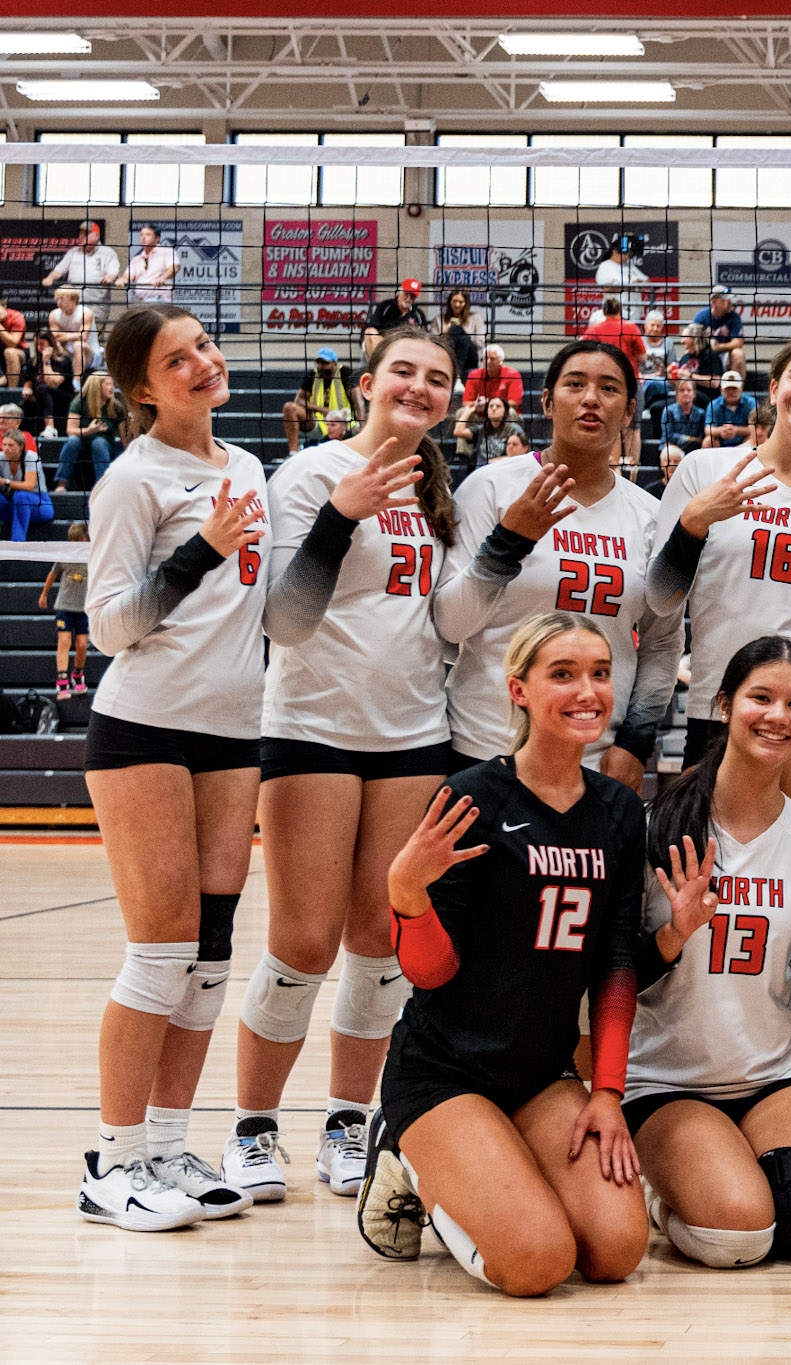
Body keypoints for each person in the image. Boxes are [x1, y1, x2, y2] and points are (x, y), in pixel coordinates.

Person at [220, 327, 458, 1203]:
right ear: (366, 383)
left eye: (438, 379)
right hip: (312, 729)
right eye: (404, 371)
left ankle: (348, 1120)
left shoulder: (440, 491)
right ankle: (252, 1129)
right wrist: (341, 513)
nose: (420, 387)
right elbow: (283, 617)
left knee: (377, 944)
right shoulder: (310, 473)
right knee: (302, 941)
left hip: (411, 737)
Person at [353, 613, 647, 1295]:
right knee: (537, 1262)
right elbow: (432, 972)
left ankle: (497, 1155)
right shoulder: (473, 798)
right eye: (563, 674)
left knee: (616, 1249)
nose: (588, 691)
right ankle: (405, 1150)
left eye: (600, 673)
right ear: (518, 690)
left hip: (541, 1073)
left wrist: (606, 1091)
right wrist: (406, 893)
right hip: (444, 1069)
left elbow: (615, 963)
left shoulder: (620, 812)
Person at [78, 303, 268, 1230]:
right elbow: (110, 625)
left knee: (208, 955)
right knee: (158, 951)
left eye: (202, 345)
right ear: (143, 388)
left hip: (233, 734)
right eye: (175, 358)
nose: (201, 362)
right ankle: (110, 1165)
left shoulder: (250, 468)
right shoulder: (132, 479)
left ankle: (165, 1147)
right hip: (145, 730)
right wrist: (202, 550)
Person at [627, 636, 791, 1266]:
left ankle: (728, 1167)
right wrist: (672, 935)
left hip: (773, 1074)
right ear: (722, 705)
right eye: (760, 698)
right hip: (667, 1080)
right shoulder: (655, 825)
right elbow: (610, 979)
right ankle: (664, 1193)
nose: (778, 717)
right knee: (737, 1235)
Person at [435, 337, 684, 785]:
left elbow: (663, 644)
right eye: (575, 384)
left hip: (595, 759)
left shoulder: (650, 516)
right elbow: (450, 627)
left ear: (629, 412)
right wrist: (507, 542)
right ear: (548, 402)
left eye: (609, 388)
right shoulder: (489, 488)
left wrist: (635, 742)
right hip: (484, 748)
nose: (591, 398)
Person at [653, 332, 791, 816]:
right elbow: (661, 600)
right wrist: (693, 523)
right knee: (715, 867)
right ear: (774, 388)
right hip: (721, 696)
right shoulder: (705, 470)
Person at [40, 521, 92, 698]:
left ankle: (77, 674)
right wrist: (44, 594)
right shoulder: (64, 555)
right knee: (64, 641)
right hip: (64, 606)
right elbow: (52, 574)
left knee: (82, 644)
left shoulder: (92, 555)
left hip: (84, 606)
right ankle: (62, 681)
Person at [55, 373, 128, 492]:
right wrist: (89, 430)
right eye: (108, 384)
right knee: (72, 440)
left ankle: (103, 488)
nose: (112, 388)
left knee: (98, 442)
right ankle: (61, 484)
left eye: (113, 384)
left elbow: (123, 438)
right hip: (81, 446)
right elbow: (70, 430)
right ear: (97, 386)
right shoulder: (79, 403)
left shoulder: (115, 407)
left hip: (104, 448)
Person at [285, 348, 358, 456]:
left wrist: (361, 423)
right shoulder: (313, 375)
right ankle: (293, 453)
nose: (321, 366)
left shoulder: (344, 373)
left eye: (325, 363)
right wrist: (323, 410)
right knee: (289, 407)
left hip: (343, 422)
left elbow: (357, 396)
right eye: (318, 362)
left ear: (334, 363)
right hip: (319, 422)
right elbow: (298, 400)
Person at [43, 220, 122, 313]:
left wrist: (110, 277)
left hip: (96, 308)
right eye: (81, 233)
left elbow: (113, 271)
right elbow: (60, 269)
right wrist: (50, 277)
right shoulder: (73, 252)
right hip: (73, 308)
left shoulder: (108, 252)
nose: (82, 236)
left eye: (86, 234)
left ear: (97, 236)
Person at [3, 429, 53, 541]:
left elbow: (29, 485)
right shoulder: (1, 458)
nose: (6, 449)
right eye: (4, 445)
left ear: (20, 446)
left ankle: (17, 543)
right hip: (12, 505)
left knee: (21, 496)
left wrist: (5, 482)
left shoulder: (31, 457)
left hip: (40, 504)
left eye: (11, 445)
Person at [584, 297, 648, 378]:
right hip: (627, 377)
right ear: (620, 312)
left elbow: (582, 351)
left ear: (604, 312)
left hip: (602, 377)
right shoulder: (631, 327)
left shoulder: (594, 329)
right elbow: (642, 357)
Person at [454, 395, 524, 468]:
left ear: (505, 411)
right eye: (491, 406)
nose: (494, 408)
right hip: (482, 471)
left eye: (498, 406)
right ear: (487, 412)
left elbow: (520, 455)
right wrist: (469, 411)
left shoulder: (514, 429)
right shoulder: (481, 429)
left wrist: (497, 460)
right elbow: (458, 432)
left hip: (504, 469)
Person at [119, 225, 180, 305]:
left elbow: (174, 268)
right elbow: (128, 275)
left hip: (160, 302)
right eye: (142, 235)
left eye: (147, 235)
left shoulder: (166, 252)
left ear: (157, 238)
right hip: (140, 302)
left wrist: (162, 278)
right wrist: (123, 279)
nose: (143, 237)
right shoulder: (137, 259)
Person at [693, 287, 747, 377]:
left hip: (725, 355)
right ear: (714, 302)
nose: (729, 302)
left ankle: (737, 389)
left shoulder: (734, 317)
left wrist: (718, 347)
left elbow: (738, 343)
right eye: (725, 300)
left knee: (738, 354)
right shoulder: (702, 316)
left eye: (729, 299)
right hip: (707, 355)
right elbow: (692, 341)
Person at [363, 280, 428, 354]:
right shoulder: (385, 306)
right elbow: (373, 326)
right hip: (384, 344)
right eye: (406, 294)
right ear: (400, 292)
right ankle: (377, 364)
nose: (408, 299)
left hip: (407, 348)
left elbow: (424, 336)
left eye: (412, 296)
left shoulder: (418, 314)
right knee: (370, 332)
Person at [50, 287, 101, 379]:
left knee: (78, 345)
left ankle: (76, 381)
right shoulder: (54, 314)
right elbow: (54, 337)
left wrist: (62, 336)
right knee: (53, 344)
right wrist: (74, 335)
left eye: (62, 299)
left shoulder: (86, 313)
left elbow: (83, 337)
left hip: (90, 353)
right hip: (67, 352)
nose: (59, 303)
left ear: (74, 300)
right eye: (57, 299)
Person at [594, 236, 649, 318]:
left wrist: (637, 284)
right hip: (615, 311)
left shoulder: (630, 265)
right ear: (614, 252)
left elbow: (647, 280)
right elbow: (607, 288)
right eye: (623, 254)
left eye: (627, 254)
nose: (626, 257)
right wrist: (631, 286)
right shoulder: (605, 266)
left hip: (634, 312)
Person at [463, 345, 524, 411]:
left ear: (501, 361)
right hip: (482, 413)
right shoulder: (474, 375)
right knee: (462, 411)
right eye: (486, 358)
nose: (488, 362)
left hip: (504, 413)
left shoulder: (513, 375)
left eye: (492, 359)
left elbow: (514, 404)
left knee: (511, 412)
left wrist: (489, 403)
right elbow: (466, 403)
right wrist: (478, 404)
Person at [437, 288, 481, 380]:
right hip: (447, 354)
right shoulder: (439, 319)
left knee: (461, 335)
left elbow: (480, 342)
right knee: (458, 334)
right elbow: (433, 342)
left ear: (466, 303)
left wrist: (462, 331)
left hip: (470, 358)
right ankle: (457, 375)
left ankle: (455, 375)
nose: (457, 305)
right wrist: (445, 333)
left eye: (460, 302)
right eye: (454, 301)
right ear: (450, 302)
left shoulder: (476, 318)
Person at [704, 372, 756, 448]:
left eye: (734, 388)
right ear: (721, 389)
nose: (731, 392)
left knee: (755, 437)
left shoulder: (751, 403)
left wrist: (736, 430)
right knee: (708, 440)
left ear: (741, 388)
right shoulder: (713, 404)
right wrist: (721, 430)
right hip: (720, 444)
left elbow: (756, 428)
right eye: (728, 388)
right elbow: (708, 430)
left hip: (743, 443)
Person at [659, 380, 705, 457]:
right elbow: (669, 436)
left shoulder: (701, 413)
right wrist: (691, 439)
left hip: (692, 449)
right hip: (672, 448)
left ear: (694, 394)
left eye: (689, 390)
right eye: (682, 390)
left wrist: (684, 439)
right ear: (677, 394)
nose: (685, 393)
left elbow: (700, 439)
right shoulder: (668, 411)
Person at [1, 293, 26, 388]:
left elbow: (13, 343)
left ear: (4, 307)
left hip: (18, 351)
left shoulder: (16, 317)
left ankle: (12, 393)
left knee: (10, 352)